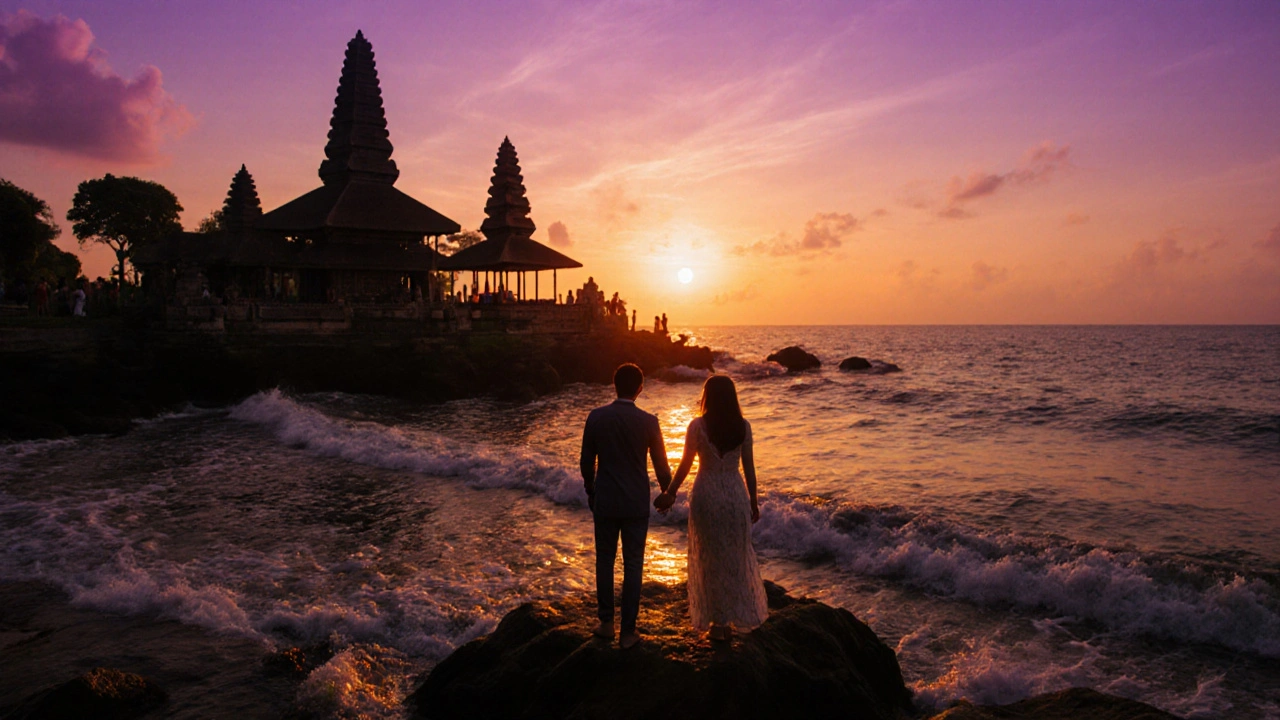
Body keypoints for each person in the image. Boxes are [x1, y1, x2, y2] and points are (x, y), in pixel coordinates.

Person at [655, 375, 767, 641]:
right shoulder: (743, 427)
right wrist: (753, 501)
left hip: (707, 494)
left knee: (710, 557)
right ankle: (732, 618)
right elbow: (749, 470)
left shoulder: (697, 426)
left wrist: (671, 492)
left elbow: (685, 465)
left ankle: (718, 623)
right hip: (735, 494)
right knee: (734, 557)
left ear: (709, 396)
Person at [580, 363, 673, 650]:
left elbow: (586, 463)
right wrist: (667, 493)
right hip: (635, 503)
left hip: (606, 499)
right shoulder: (649, 422)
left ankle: (606, 623)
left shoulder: (596, 417)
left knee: (605, 561)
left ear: (614, 385)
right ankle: (628, 631)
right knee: (633, 564)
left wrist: (591, 490)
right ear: (640, 388)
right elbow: (661, 466)